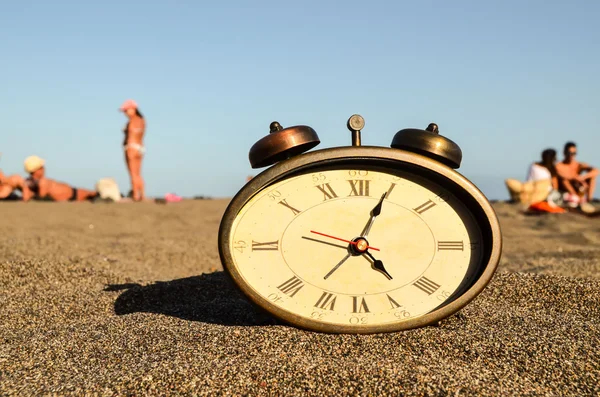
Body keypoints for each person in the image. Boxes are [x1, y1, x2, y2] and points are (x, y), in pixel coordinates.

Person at [23, 155, 99, 202]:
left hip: (73, 193)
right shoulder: (43, 182)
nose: (44, 169)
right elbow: (41, 197)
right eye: (42, 167)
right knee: (92, 194)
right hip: (73, 195)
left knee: (90, 194)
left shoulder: (31, 182)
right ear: (36, 170)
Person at [120, 99, 146, 202]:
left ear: (133, 109)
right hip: (141, 148)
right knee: (138, 173)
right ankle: (142, 195)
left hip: (131, 147)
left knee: (133, 173)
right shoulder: (142, 121)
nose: (125, 113)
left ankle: (135, 195)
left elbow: (132, 133)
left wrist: (126, 131)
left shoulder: (132, 121)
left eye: (126, 110)